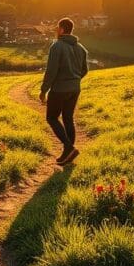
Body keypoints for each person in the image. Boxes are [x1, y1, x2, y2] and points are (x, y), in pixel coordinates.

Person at [39, 17, 88, 165]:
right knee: (68, 119)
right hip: (75, 89)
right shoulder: (81, 48)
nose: (55, 30)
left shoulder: (57, 46)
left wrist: (43, 90)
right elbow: (84, 70)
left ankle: (68, 148)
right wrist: (74, 80)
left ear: (61, 29)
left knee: (52, 118)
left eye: (57, 27)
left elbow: (51, 71)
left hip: (59, 89)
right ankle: (69, 153)